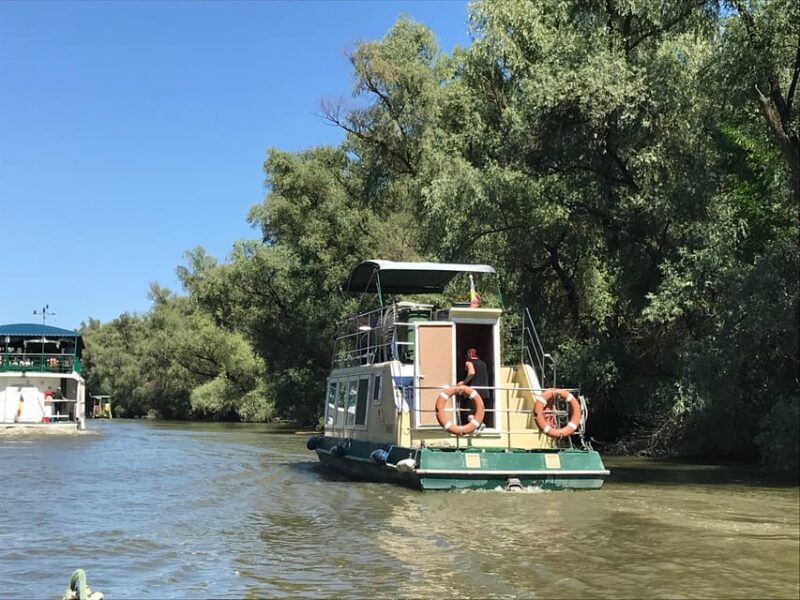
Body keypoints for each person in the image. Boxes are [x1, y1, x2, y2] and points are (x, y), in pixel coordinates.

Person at [457, 347, 492, 427]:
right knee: (479, 411)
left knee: (469, 413)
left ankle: (479, 424)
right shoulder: (483, 363)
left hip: (473, 392)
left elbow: (471, 373)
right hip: (484, 392)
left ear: (467, 355)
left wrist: (463, 382)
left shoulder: (469, 362)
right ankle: (480, 424)